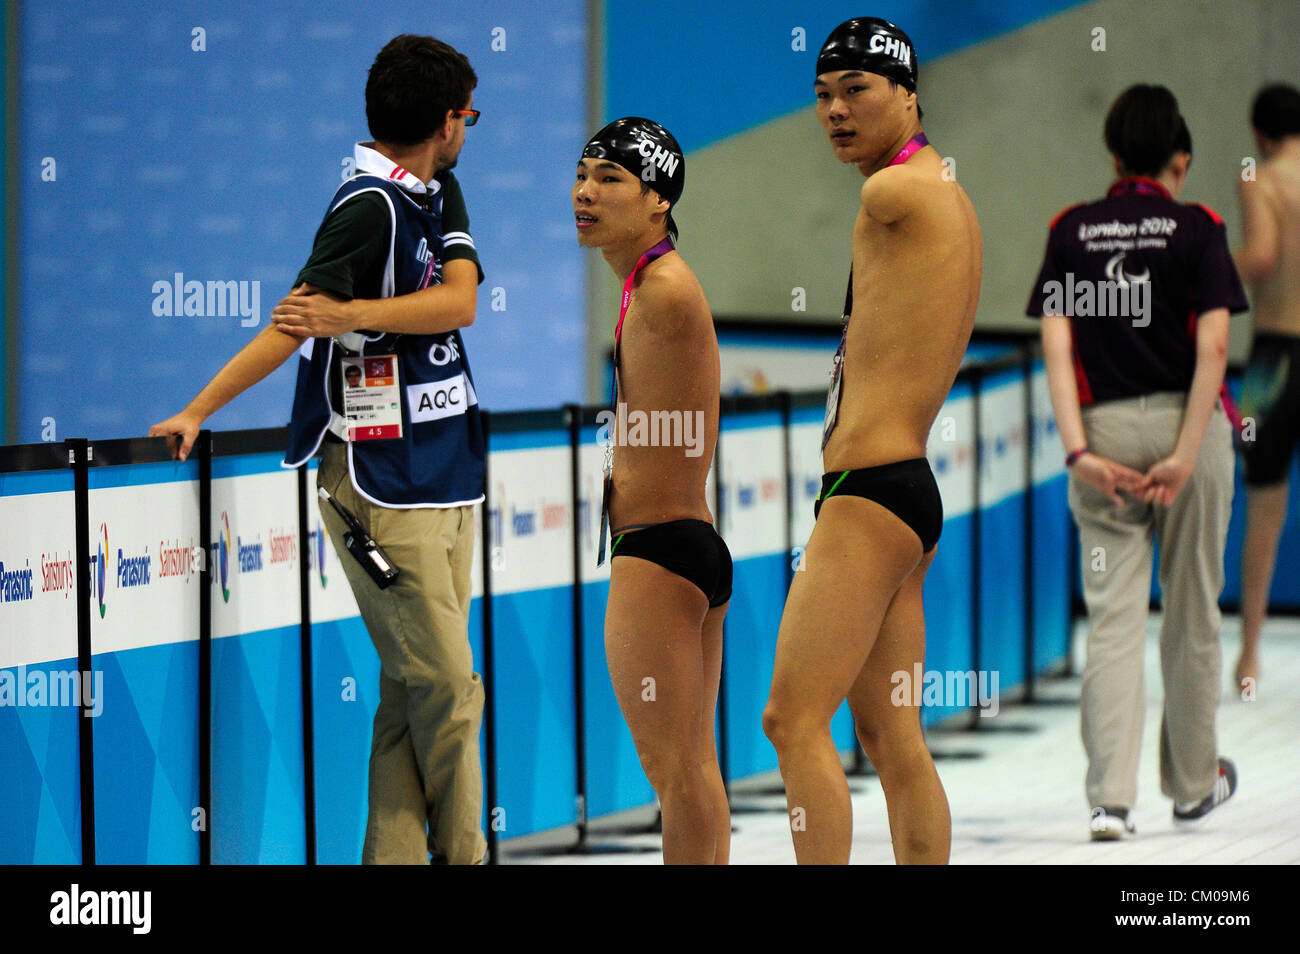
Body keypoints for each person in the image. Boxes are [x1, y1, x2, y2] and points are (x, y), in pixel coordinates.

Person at [149, 34, 489, 865]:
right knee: (446, 685)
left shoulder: (438, 192)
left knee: (412, 692)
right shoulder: (365, 208)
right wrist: (197, 408)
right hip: (376, 475)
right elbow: (289, 325)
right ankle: (470, 855)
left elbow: (460, 303)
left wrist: (352, 317)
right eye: (469, 116)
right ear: (448, 119)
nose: (469, 130)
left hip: (447, 466)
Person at [762, 17, 981, 865]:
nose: (835, 111)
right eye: (822, 95)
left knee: (792, 720)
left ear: (909, 93)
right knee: (895, 743)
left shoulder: (890, 194)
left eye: (857, 90)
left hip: (867, 492)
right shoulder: (948, 194)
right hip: (907, 490)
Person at [1027, 84, 1248, 840]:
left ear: (1114, 156)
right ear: (1178, 161)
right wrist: (1185, 454)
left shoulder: (1070, 229)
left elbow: (1056, 343)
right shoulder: (1201, 228)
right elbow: (1214, 349)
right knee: (1193, 614)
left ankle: (1108, 802)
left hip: (1104, 438)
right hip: (1193, 434)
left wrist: (1077, 450)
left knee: (1113, 622)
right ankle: (1192, 786)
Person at [575, 117, 732, 864]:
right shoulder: (652, 283)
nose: (585, 192)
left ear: (658, 201)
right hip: (686, 545)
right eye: (582, 175)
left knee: (676, 773)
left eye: (609, 180)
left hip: (659, 551)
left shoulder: (665, 292)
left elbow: (670, 436)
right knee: (692, 767)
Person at [1233, 83, 1300, 695]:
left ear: (1259, 132)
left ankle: (1250, 651)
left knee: (1263, 504)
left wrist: (1198, 270)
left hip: (1277, 357)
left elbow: (1259, 258)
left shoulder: (1261, 179)